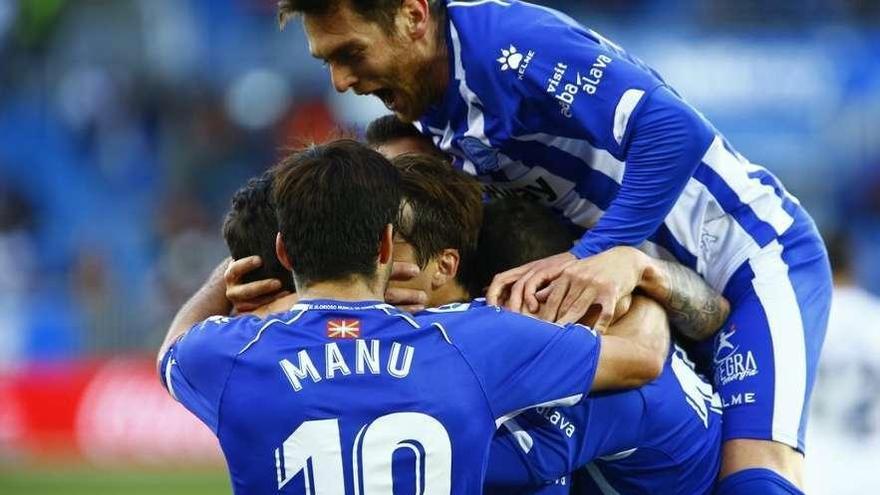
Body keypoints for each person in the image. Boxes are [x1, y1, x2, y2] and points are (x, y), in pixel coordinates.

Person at [279, 2, 832, 490]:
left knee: (755, 473)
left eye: (350, 52)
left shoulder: (505, 47)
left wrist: (595, 254)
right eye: (326, 60)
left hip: (744, 255)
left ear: (413, 15)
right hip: (646, 286)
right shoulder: (428, 102)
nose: (341, 81)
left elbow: (674, 130)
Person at [157, 140, 669, 493]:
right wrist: (641, 272)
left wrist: (217, 284)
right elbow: (644, 358)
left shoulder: (227, 356)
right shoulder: (472, 340)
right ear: (385, 246)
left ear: (285, 253)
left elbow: (171, 350)